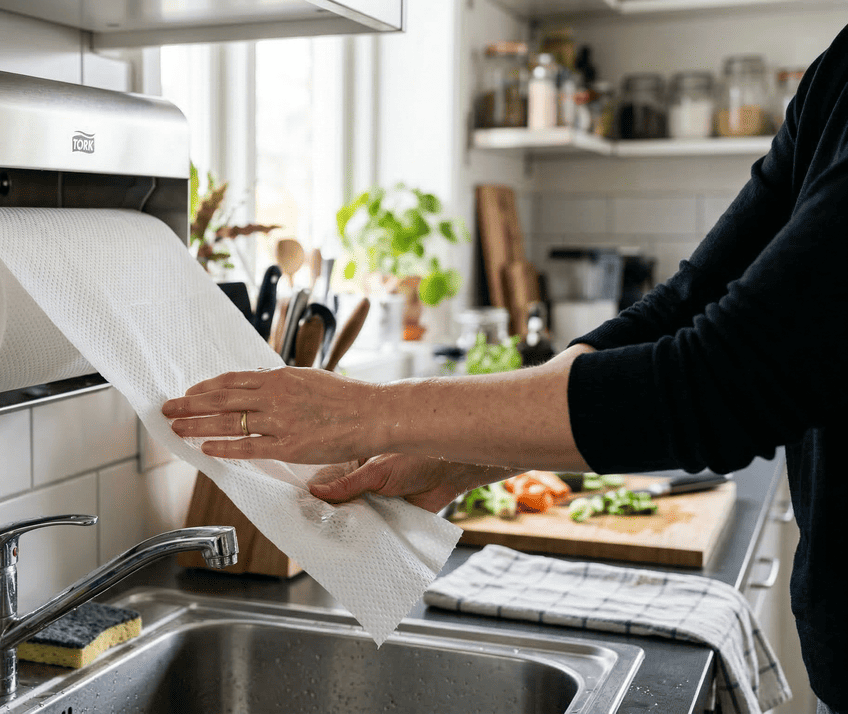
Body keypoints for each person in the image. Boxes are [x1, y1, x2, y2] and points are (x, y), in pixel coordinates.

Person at [163, 24, 848, 714]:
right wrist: (464, 453)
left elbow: (716, 381)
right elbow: (685, 305)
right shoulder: (837, 77)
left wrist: (365, 411)